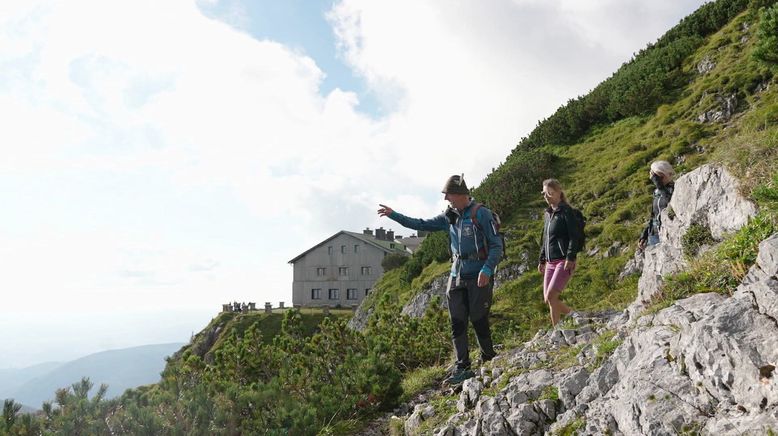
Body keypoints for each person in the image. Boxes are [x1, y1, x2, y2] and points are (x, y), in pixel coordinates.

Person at [377, 174, 503, 385]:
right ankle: (462, 366)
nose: (446, 200)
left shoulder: (481, 214)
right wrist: (393, 215)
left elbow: (496, 246)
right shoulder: (449, 217)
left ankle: (488, 357)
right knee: (457, 322)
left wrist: (487, 269)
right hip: (456, 276)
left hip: (478, 275)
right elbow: (420, 223)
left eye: (449, 195)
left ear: (461, 194)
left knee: (479, 319)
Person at [538, 179, 582, 327]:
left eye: (549, 193)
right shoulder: (548, 214)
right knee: (548, 299)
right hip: (550, 262)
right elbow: (546, 238)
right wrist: (542, 259)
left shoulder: (566, 211)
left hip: (563, 261)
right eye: (544, 193)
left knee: (551, 296)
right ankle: (564, 323)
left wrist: (571, 257)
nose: (546, 196)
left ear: (558, 193)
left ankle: (560, 327)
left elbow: (574, 236)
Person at [638, 161, 675, 249]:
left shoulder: (674, 188)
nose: (657, 179)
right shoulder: (656, 192)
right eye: (656, 177)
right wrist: (645, 234)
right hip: (654, 234)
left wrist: (660, 185)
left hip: (668, 232)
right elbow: (653, 215)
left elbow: (670, 202)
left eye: (659, 176)